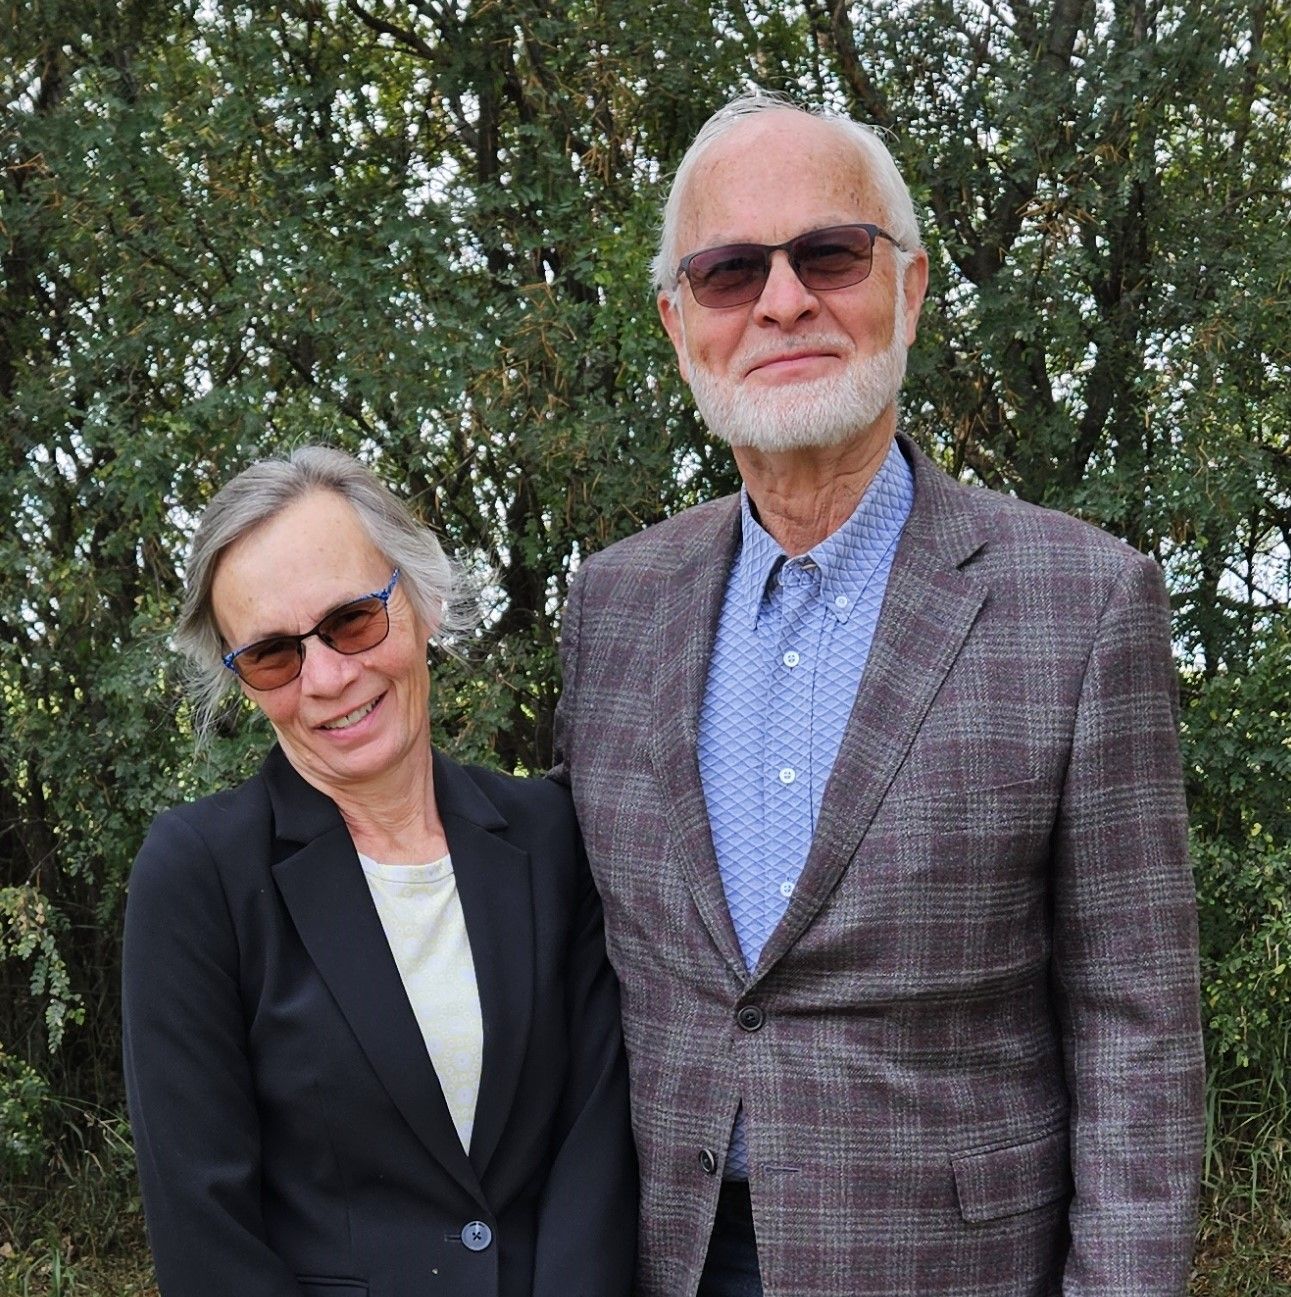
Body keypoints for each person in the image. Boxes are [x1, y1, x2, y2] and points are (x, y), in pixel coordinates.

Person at [552, 89, 1203, 1297]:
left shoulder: (1082, 601)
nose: (784, 301)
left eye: (830, 254)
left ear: (906, 288)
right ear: (678, 322)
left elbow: (1137, 1035)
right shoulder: (614, 606)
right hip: (660, 1256)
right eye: (732, 270)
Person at [122, 446, 635, 1297]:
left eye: (352, 621)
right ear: (242, 681)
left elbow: (593, 1147)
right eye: (273, 655)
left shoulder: (549, 833)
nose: (325, 677)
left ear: (420, 600)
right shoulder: (200, 875)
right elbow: (203, 1229)